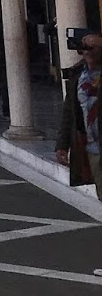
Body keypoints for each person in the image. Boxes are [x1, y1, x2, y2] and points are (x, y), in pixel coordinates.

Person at [57, 32, 102, 202]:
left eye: (94, 48)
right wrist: (62, 145)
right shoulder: (78, 75)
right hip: (93, 146)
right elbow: (69, 112)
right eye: (85, 48)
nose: (88, 52)